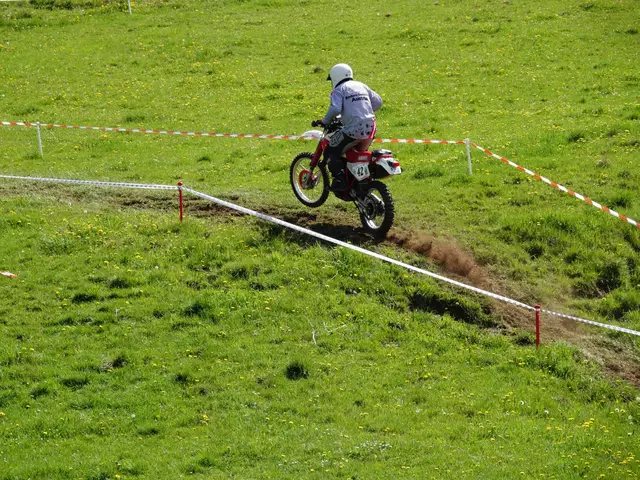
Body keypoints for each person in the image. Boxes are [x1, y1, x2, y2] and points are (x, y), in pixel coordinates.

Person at [318, 63, 382, 193]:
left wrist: (325, 121)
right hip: (371, 128)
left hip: (353, 130)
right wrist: (362, 111)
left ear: (335, 77)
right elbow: (378, 102)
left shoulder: (339, 90)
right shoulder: (361, 85)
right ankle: (358, 182)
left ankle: (340, 181)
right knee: (356, 155)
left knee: (330, 151)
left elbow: (335, 108)